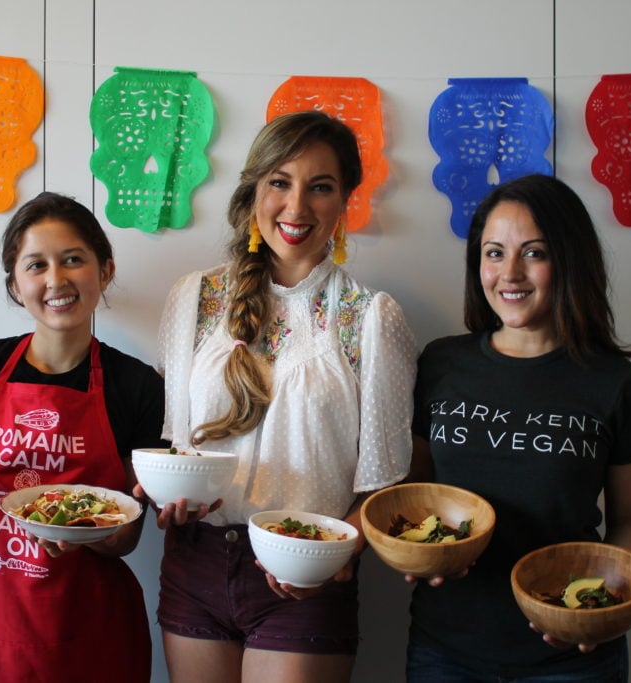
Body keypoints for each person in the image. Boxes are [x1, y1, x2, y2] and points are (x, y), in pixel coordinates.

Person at [147, 110, 417, 683]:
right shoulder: (193, 299)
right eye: (280, 182)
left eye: (320, 188)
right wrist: (164, 494)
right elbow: (175, 444)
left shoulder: (370, 317)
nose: (296, 209)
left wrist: (328, 558)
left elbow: (384, 485)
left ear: (345, 203)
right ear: (254, 192)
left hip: (307, 575)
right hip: (194, 562)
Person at [406, 174, 631, 682]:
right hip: (446, 648)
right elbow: (416, 495)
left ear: (569, 260)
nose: (510, 273)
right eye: (494, 252)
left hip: (571, 658)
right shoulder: (440, 364)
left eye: (535, 253)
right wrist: (421, 554)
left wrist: (608, 603)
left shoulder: (616, 384)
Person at [0, 192, 165, 682]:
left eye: (73, 260)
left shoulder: (138, 386)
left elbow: (128, 534)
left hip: (89, 636)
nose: (56, 280)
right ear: (15, 284)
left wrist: (84, 531)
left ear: (104, 272)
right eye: (36, 265)